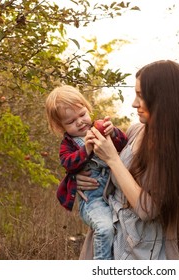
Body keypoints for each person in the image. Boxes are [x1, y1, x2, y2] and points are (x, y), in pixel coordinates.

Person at [77, 60, 179, 260]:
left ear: (165, 100)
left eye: (141, 96)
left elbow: (148, 210)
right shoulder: (136, 131)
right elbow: (116, 181)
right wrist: (82, 177)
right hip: (107, 247)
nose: (134, 103)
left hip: (145, 254)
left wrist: (112, 158)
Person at [45, 85, 128, 260]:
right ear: (61, 127)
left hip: (113, 194)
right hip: (92, 200)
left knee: (122, 229)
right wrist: (87, 148)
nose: (80, 122)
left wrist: (113, 133)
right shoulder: (68, 144)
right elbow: (68, 164)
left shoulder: (99, 130)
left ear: (88, 109)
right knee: (104, 228)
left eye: (82, 114)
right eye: (70, 121)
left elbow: (124, 145)